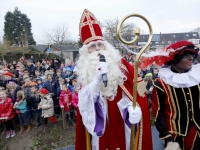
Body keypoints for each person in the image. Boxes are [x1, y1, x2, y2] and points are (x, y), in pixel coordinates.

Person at [75, 9, 152, 150]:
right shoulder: (85, 71)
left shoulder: (121, 64)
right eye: (93, 46)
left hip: (121, 125)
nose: (98, 49)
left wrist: (133, 109)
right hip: (99, 131)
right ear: (86, 51)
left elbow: (136, 94)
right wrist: (96, 82)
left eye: (100, 44)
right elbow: (84, 105)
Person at [151, 41, 200, 149]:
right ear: (173, 58)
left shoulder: (198, 77)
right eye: (185, 55)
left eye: (192, 55)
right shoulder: (162, 83)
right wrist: (167, 138)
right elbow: (158, 113)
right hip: (176, 137)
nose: (191, 58)